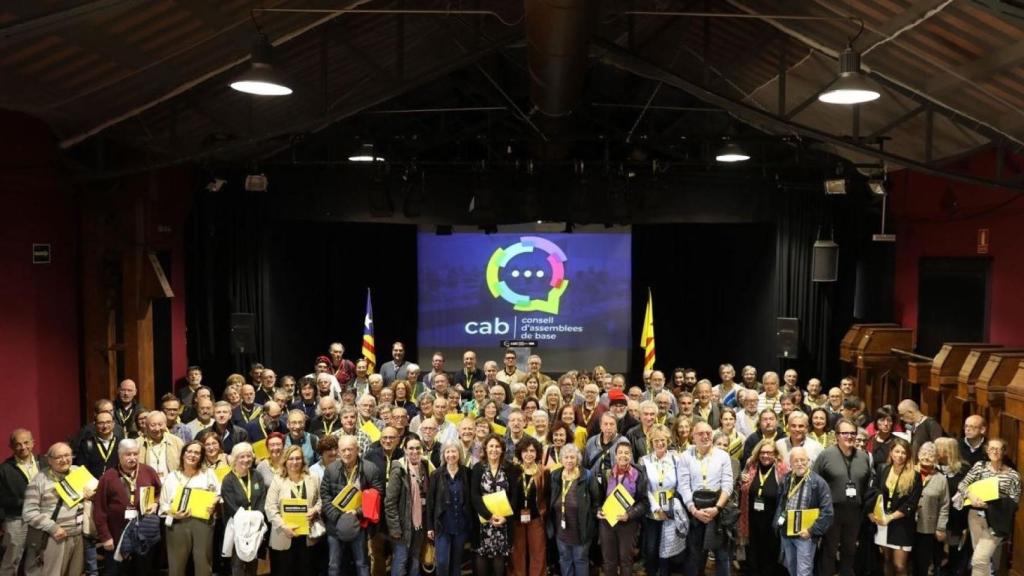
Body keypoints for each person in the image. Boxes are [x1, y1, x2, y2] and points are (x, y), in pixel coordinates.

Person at [812, 417, 873, 576]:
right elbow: (813, 483)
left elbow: (867, 486)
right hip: (831, 512)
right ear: (837, 435)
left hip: (854, 513)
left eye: (853, 433)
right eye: (845, 433)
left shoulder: (864, 457)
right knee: (829, 551)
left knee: (850, 550)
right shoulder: (825, 455)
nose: (850, 436)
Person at [22, 443, 93, 576]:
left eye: (67, 455)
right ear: (49, 460)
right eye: (58, 457)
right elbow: (28, 513)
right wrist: (53, 527)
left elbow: (96, 495)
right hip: (55, 537)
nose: (64, 460)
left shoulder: (78, 471)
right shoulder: (39, 480)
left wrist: (91, 496)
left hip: (79, 536)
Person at [93, 439, 161, 576]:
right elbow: (99, 510)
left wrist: (155, 502)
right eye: (128, 454)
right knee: (118, 571)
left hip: (143, 534)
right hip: (117, 535)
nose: (132, 458)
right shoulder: (108, 477)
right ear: (119, 455)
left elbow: (159, 492)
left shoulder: (148, 471)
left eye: (135, 454)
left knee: (143, 570)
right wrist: (105, 537)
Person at [955, 437, 1021, 576]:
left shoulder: (1013, 475)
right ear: (987, 451)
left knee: (979, 559)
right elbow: (962, 484)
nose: (995, 452)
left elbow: (1015, 502)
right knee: (982, 560)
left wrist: (994, 502)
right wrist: (971, 496)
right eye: (991, 448)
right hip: (975, 516)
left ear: (1004, 452)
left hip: (997, 520)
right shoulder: (980, 466)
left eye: (998, 449)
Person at [321, 436, 385, 576]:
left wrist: (357, 512)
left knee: (362, 563)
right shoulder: (330, 469)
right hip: (335, 524)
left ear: (358, 449)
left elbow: (377, 495)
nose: (347, 453)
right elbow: (325, 496)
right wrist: (339, 516)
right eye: (343, 450)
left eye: (350, 449)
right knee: (334, 566)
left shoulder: (370, 469)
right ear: (338, 451)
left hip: (359, 523)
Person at [679, 421, 734, 576]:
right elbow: (683, 486)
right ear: (693, 436)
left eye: (708, 433)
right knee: (695, 557)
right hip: (694, 510)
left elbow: (727, 484)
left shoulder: (723, 456)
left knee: (722, 556)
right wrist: (694, 511)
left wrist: (717, 508)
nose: (705, 437)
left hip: (717, 509)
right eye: (701, 434)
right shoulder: (685, 457)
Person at [159, 440, 221, 576]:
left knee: (203, 562)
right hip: (178, 524)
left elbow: (218, 494)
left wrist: (213, 504)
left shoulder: (208, 474)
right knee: (176, 564)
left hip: (203, 523)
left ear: (201, 456)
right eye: (190, 451)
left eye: (197, 453)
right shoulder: (172, 477)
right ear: (183, 454)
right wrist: (174, 514)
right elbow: (163, 505)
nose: (193, 455)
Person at [774, 446, 834, 576]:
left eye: (803, 460)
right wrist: (778, 525)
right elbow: (780, 504)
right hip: (787, 532)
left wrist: (811, 531)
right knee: (791, 568)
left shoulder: (818, 482)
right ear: (790, 463)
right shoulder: (786, 479)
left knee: (804, 571)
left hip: (805, 535)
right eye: (796, 461)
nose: (800, 463)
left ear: (809, 461)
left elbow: (827, 512)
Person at [593, 442, 648, 576]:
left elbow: (644, 503)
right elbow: (598, 499)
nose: (623, 455)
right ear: (615, 455)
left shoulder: (638, 474)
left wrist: (629, 515)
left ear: (631, 455)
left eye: (627, 453)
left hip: (628, 524)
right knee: (609, 561)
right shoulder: (607, 473)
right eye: (620, 452)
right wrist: (598, 510)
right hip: (607, 523)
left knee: (626, 561)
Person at [870, 438, 922, 576]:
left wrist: (891, 517)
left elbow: (911, 503)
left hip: (902, 524)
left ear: (908, 455)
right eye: (897, 451)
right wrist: (872, 513)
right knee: (886, 560)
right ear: (891, 453)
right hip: (882, 522)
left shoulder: (915, 476)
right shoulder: (882, 469)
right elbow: (874, 492)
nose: (900, 455)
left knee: (899, 565)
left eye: (903, 452)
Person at [265, 446, 321, 576]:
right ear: (285, 461)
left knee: (307, 571)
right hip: (284, 535)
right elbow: (270, 507)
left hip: (308, 536)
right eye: (291, 459)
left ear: (303, 460)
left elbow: (320, 500)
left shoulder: (313, 477)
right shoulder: (278, 479)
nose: (294, 462)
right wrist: (283, 526)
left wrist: (315, 510)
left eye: (298, 458)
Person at [471, 433, 520, 576]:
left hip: (503, 523)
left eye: (497, 446)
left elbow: (514, 496)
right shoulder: (478, 468)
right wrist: (489, 516)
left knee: (499, 564)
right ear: (485, 449)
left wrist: (504, 517)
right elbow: (474, 496)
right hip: (483, 523)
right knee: (481, 562)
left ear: (502, 449)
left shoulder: (510, 468)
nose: (494, 449)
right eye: (491, 446)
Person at [738, 439, 787, 576]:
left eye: (769, 453)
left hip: (773, 522)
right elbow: (742, 487)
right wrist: (741, 479)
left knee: (769, 556)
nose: (766, 455)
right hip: (751, 520)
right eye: (763, 452)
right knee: (753, 554)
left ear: (775, 454)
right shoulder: (752, 466)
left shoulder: (782, 469)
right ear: (758, 453)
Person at [639, 423, 681, 576]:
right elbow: (644, 488)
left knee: (667, 547)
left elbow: (680, 484)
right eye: (656, 440)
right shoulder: (644, 461)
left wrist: (670, 506)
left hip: (671, 509)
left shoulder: (676, 459)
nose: (660, 443)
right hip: (652, 511)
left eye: (663, 440)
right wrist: (657, 508)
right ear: (651, 442)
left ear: (668, 440)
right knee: (651, 547)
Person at [426, 441, 473, 576]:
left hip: (461, 525)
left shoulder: (467, 473)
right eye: (448, 452)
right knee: (441, 561)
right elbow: (431, 502)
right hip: (442, 525)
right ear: (443, 455)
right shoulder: (436, 474)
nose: (451, 455)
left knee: (456, 562)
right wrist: (430, 526)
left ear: (459, 454)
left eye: (454, 451)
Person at [385, 436, 431, 576]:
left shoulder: (425, 466)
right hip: (403, 525)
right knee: (401, 560)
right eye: (411, 448)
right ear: (404, 450)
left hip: (419, 524)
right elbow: (390, 502)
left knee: (416, 559)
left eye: (418, 448)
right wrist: (395, 528)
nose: (415, 451)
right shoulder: (398, 469)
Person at [219, 442, 267, 576]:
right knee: (238, 564)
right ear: (235, 459)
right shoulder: (228, 480)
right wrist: (248, 521)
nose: (246, 459)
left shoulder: (257, 476)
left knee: (253, 562)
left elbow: (262, 498)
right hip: (237, 528)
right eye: (242, 457)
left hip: (255, 527)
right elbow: (230, 505)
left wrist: (256, 519)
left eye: (248, 456)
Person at [548, 444, 596, 576]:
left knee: (580, 560)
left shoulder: (587, 476)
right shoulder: (555, 476)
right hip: (561, 530)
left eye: (572, 457)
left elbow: (596, 501)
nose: (569, 460)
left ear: (578, 459)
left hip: (581, 529)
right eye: (566, 457)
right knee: (564, 559)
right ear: (561, 460)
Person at [1, 429, 44, 576]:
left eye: (26, 442)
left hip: (39, 518)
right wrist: (24, 502)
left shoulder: (44, 463)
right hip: (16, 520)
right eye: (18, 444)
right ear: (12, 447)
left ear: (33, 443)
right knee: (11, 559)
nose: (23, 447)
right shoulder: (4, 469)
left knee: (35, 558)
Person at [511, 436, 548, 576]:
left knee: (538, 552)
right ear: (520, 453)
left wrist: (543, 513)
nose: (529, 454)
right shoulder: (514, 471)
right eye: (525, 451)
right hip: (516, 519)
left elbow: (546, 495)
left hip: (536, 518)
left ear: (537, 453)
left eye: (532, 451)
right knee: (517, 553)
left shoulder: (543, 472)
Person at [934, 436, 970, 576]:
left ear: (949, 451)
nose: (935, 451)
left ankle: (953, 569)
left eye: (939, 448)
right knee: (936, 545)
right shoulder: (932, 467)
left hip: (956, 515)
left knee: (954, 546)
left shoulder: (964, 469)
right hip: (936, 513)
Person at [913, 442, 949, 576]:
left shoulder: (941, 479)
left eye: (930, 454)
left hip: (927, 527)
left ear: (936, 458)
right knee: (904, 562)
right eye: (923, 453)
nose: (926, 457)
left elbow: (944, 505)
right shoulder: (909, 471)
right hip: (906, 524)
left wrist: (940, 528)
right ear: (918, 455)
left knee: (922, 563)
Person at [138, 411, 184, 482]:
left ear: (165, 425)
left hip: (172, 485)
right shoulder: (137, 444)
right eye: (153, 425)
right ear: (146, 427)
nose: (157, 429)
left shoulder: (177, 442)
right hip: (148, 485)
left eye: (160, 424)